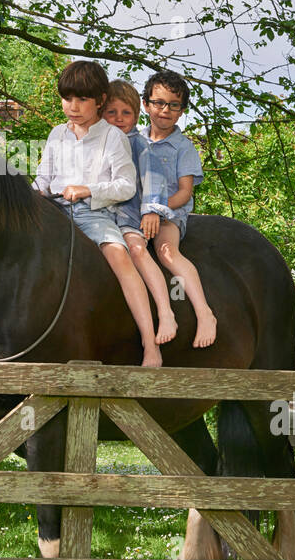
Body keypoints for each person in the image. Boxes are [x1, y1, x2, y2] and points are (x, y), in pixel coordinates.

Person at [32, 60, 164, 367]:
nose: (73, 107)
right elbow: (43, 178)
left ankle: (150, 344)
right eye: (68, 99)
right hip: (53, 211)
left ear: (100, 100)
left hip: (94, 214)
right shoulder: (56, 135)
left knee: (120, 257)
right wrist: (30, 193)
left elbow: (126, 186)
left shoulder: (112, 137)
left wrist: (88, 189)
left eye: (82, 100)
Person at [140, 70, 216, 347]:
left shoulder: (183, 147)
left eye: (173, 105)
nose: (165, 110)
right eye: (158, 102)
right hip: (133, 214)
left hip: (168, 214)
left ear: (182, 111)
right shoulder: (133, 142)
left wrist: (156, 208)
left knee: (167, 252)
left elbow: (184, 193)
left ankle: (204, 313)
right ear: (145, 104)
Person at [102, 80, 178, 346]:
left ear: (136, 115)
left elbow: (154, 179)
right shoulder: (98, 143)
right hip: (101, 217)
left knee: (136, 250)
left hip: (129, 215)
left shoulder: (140, 146)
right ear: (101, 114)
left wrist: (151, 211)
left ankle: (166, 311)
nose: (119, 119)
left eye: (126, 113)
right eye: (112, 112)